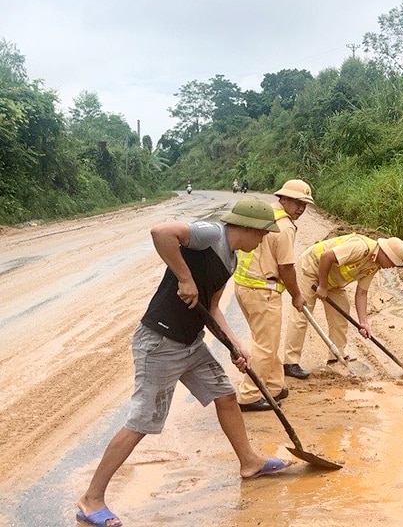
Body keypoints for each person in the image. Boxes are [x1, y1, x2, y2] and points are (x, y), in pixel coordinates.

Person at [76, 199, 293, 527]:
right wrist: (184, 277)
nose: (263, 240)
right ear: (247, 227)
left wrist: (235, 344)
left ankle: (249, 462)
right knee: (142, 421)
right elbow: (161, 232)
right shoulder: (210, 234)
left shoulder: (231, 260)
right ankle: (91, 500)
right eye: (262, 234)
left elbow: (213, 308)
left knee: (226, 395)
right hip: (160, 343)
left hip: (190, 343)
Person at [233, 179, 313, 412]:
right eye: (297, 202)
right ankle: (248, 395)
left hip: (246, 287)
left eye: (304, 204)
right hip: (262, 290)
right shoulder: (285, 226)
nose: (300, 208)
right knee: (265, 346)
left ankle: (274, 385)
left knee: (267, 341)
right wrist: (297, 295)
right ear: (284, 199)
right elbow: (286, 267)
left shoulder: (267, 215)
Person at [284, 233, 403, 366]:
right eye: (392, 262)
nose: (392, 267)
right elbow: (326, 256)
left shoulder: (374, 264)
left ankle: (336, 356)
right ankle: (290, 363)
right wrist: (323, 286)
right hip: (311, 268)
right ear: (385, 254)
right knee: (302, 314)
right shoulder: (361, 247)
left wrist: (363, 322)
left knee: (341, 314)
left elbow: (362, 293)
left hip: (333, 279)